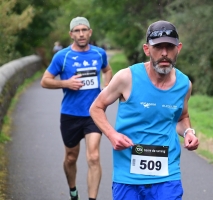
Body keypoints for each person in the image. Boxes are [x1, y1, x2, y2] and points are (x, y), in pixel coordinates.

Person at [89, 20, 199, 200]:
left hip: (167, 174)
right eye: (158, 47)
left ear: (178, 48)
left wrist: (188, 132)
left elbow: (181, 117)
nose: (164, 53)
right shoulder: (126, 77)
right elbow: (96, 107)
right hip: (128, 175)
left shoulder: (184, 84)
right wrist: (112, 134)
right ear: (147, 49)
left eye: (170, 47)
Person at [40, 16, 113, 200]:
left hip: (93, 114)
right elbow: (45, 81)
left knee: (94, 157)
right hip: (70, 114)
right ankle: (73, 191)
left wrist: (107, 87)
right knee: (71, 158)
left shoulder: (99, 54)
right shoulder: (62, 57)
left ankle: (92, 198)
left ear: (90, 32)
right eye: (77, 31)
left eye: (84, 30)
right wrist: (66, 83)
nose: (81, 34)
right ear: (71, 34)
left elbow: (107, 70)